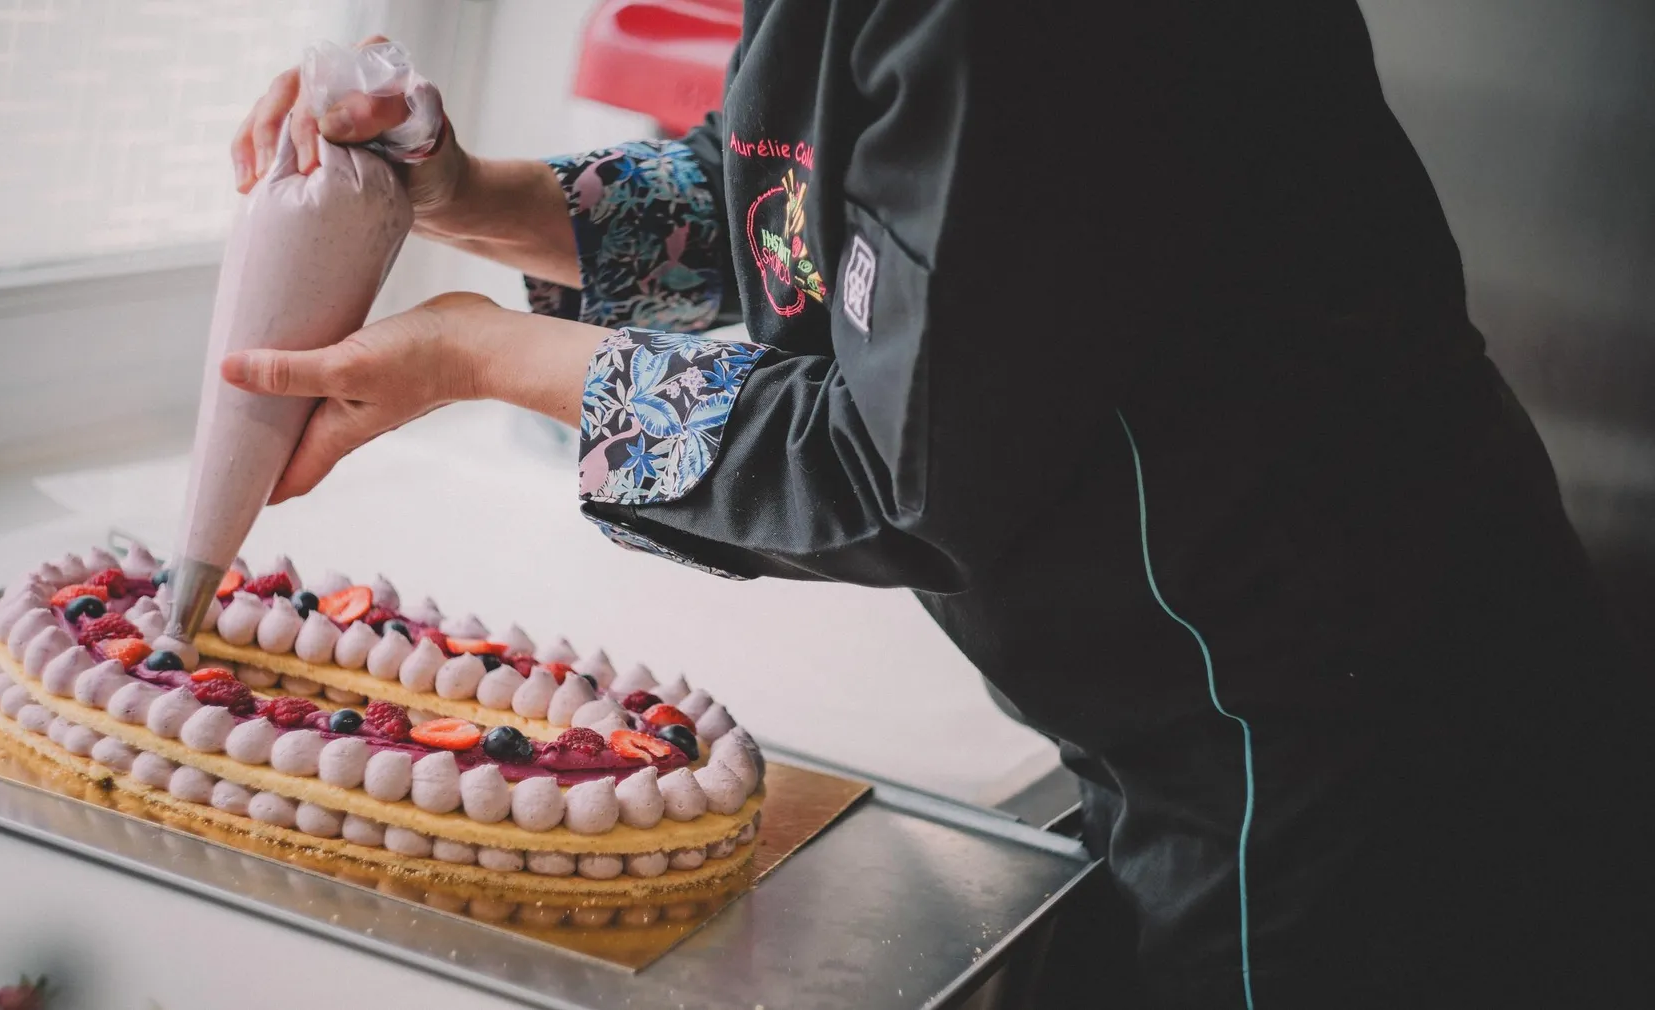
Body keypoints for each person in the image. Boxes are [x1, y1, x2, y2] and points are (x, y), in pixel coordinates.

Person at [225, 5, 1646, 1007]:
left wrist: (482, 353)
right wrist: (458, 191)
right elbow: (782, 217)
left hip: (1346, 775)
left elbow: (895, 458)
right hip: (1196, 738)